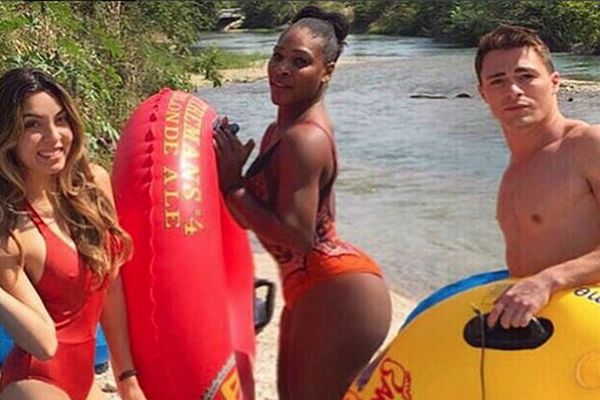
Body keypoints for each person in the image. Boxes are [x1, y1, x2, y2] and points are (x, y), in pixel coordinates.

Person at [213, 5, 392, 400]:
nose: (281, 69)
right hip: (310, 288)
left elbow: (297, 235)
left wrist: (234, 186)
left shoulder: (304, 139)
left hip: (339, 290)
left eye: (299, 62)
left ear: (327, 71)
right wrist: (230, 177)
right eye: (277, 56)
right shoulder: (277, 131)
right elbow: (253, 219)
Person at [0, 67, 147, 400]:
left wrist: (127, 376)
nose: (53, 137)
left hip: (85, 378)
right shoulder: (11, 231)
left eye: (61, 120)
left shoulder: (93, 186)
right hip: (34, 382)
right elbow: (42, 342)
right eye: (32, 125)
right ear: (8, 136)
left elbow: (111, 286)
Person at [475, 25, 600, 330]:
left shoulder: (587, 145)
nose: (513, 91)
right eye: (498, 81)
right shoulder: (515, 168)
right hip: (544, 330)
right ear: (483, 94)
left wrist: (548, 281)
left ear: (554, 82)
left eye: (526, 76)